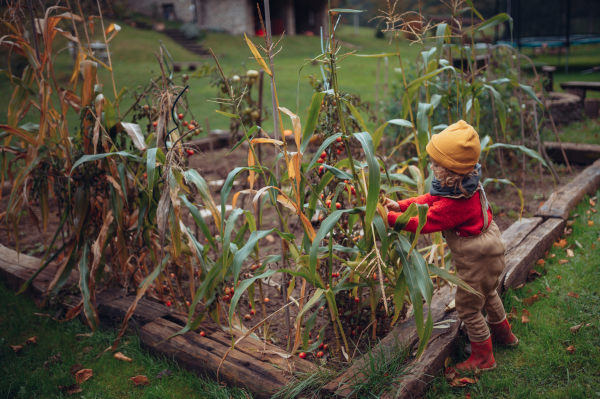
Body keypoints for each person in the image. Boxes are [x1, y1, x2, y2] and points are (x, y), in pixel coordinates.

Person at [384, 120, 518, 372]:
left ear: (450, 170)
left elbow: (424, 223)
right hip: (491, 249)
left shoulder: (454, 205)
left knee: (468, 308)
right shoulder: (464, 185)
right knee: (488, 293)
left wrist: (389, 219)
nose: (430, 167)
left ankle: (483, 358)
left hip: (476, 257)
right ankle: (504, 335)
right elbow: (429, 198)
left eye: (435, 164)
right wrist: (400, 206)